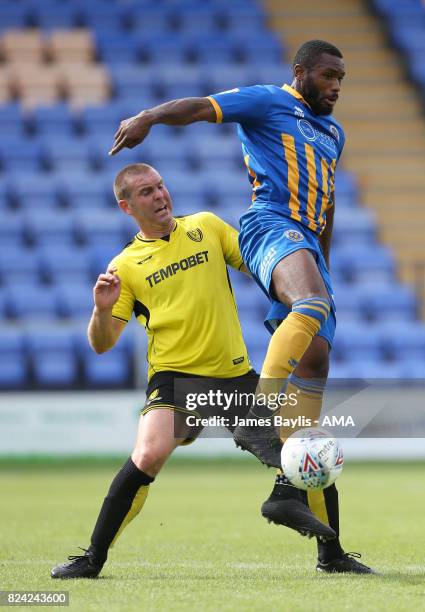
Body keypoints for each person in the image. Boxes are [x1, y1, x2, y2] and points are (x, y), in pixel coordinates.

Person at [108, 40, 375, 574]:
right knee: (312, 305)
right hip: (270, 225)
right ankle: (264, 407)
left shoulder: (333, 133)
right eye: (327, 75)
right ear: (300, 72)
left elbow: (327, 202)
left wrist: (322, 261)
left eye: (341, 78)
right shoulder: (267, 101)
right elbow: (201, 107)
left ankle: (296, 500)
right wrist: (149, 118)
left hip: (305, 242)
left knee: (317, 361)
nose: (336, 86)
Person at [51, 163, 337, 580]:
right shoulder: (125, 266)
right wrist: (99, 308)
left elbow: (262, 262)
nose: (160, 196)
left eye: (161, 186)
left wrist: (300, 271)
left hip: (234, 376)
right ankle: (92, 558)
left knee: (304, 451)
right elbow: (101, 342)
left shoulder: (206, 226)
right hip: (174, 378)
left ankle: (333, 554)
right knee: (148, 454)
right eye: (147, 192)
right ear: (126, 206)